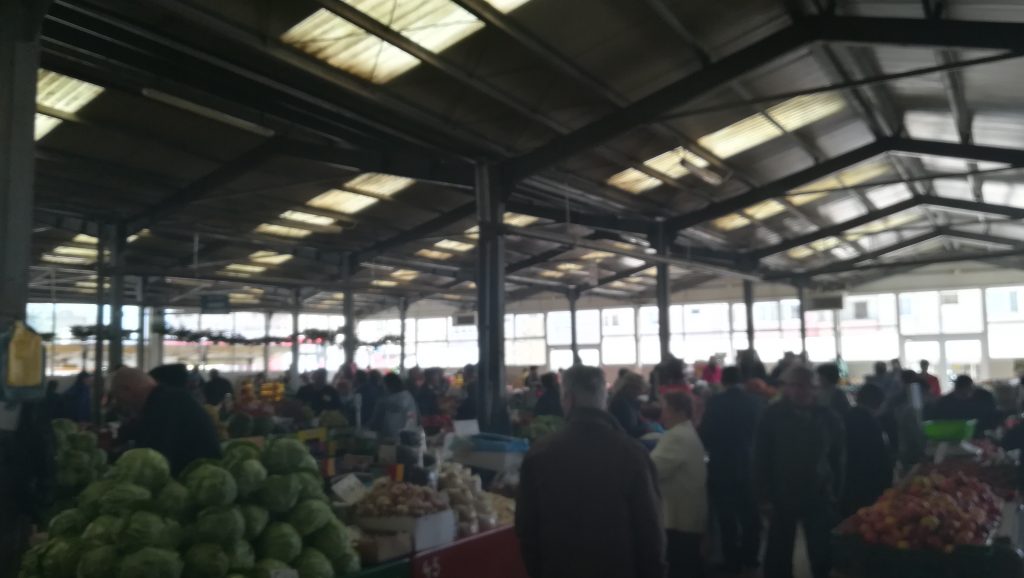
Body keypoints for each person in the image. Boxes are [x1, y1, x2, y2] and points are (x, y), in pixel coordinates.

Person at [516, 365, 666, 578]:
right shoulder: (633, 454)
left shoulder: (539, 455)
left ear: (568, 399)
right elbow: (651, 532)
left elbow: (527, 531)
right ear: (604, 400)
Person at [755, 365, 845, 578]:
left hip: (819, 494)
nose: (799, 390)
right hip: (781, 493)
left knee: (822, 553)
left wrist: (835, 494)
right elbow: (760, 458)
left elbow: (839, 459)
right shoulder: (771, 416)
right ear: (785, 388)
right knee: (778, 554)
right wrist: (764, 496)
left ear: (816, 388)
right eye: (794, 385)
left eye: (806, 386)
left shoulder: (828, 417)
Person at [699, 366, 762, 573]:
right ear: (742, 381)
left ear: (723, 382)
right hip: (750, 466)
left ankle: (731, 561)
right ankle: (751, 557)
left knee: (727, 517)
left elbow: (705, 435)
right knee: (751, 515)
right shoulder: (755, 402)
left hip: (722, 466)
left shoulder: (715, 403)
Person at [110, 367, 222, 475]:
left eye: (118, 397)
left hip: (192, 477)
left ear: (127, 390)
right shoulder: (168, 399)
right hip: (198, 473)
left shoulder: (163, 407)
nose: (119, 404)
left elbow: (154, 458)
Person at [651, 393, 707, 578]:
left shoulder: (677, 436)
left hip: (679, 518)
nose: (662, 414)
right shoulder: (685, 432)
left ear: (679, 411)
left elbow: (654, 469)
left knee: (681, 567)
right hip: (686, 514)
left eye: (665, 409)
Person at [842, 383, 892, 518]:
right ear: (878, 403)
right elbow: (880, 457)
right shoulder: (871, 423)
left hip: (848, 484)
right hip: (868, 485)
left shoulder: (845, 417)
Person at [929, 374, 999, 435]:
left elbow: (993, 417)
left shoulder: (985, 397)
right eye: (961, 394)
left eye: (965, 393)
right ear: (955, 390)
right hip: (954, 434)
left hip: (982, 433)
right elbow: (938, 421)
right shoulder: (945, 402)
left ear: (973, 389)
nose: (964, 397)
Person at [370, 373, 419, 440]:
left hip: (388, 439)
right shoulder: (409, 397)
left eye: (384, 385)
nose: (383, 388)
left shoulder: (383, 402)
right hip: (408, 437)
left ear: (389, 385)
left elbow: (375, 422)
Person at [609, 371, 647, 438]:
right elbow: (629, 430)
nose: (640, 392)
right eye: (638, 389)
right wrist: (647, 428)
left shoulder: (629, 401)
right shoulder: (621, 404)